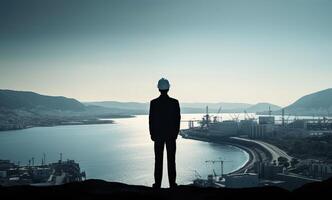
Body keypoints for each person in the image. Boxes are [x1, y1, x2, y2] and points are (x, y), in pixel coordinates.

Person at [149, 78, 181, 188]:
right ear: (168, 88)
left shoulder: (154, 103)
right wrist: (175, 134)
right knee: (171, 161)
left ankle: (157, 184)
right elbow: (177, 119)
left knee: (158, 161)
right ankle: (172, 184)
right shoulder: (174, 102)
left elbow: (151, 120)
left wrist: (152, 135)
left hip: (158, 136)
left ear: (158, 88)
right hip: (171, 136)